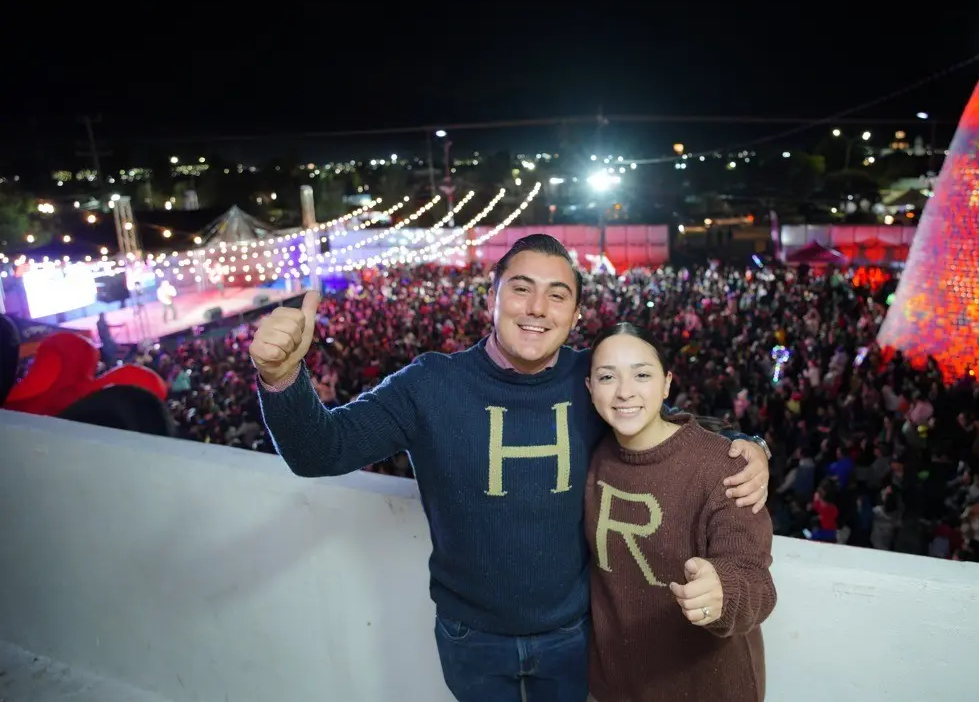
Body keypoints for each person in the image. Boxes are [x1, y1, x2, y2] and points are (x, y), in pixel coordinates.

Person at [251, 234, 772, 702]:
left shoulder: (590, 379)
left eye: (558, 295)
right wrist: (281, 375)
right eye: (521, 289)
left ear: (574, 317)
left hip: (575, 634)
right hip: (470, 637)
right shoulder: (430, 385)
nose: (537, 308)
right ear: (491, 299)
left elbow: (654, 417)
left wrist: (748, 445)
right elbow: (319, 451)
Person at [584, 322, 776, 702]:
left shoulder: (723, 466)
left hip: (707, 687)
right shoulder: (595, 451)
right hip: (616, 686)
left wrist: (724, 593)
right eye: (607, 377)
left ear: (667, 383)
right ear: (590, 388)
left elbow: (756, 580)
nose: (624, 392)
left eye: (642, 374)